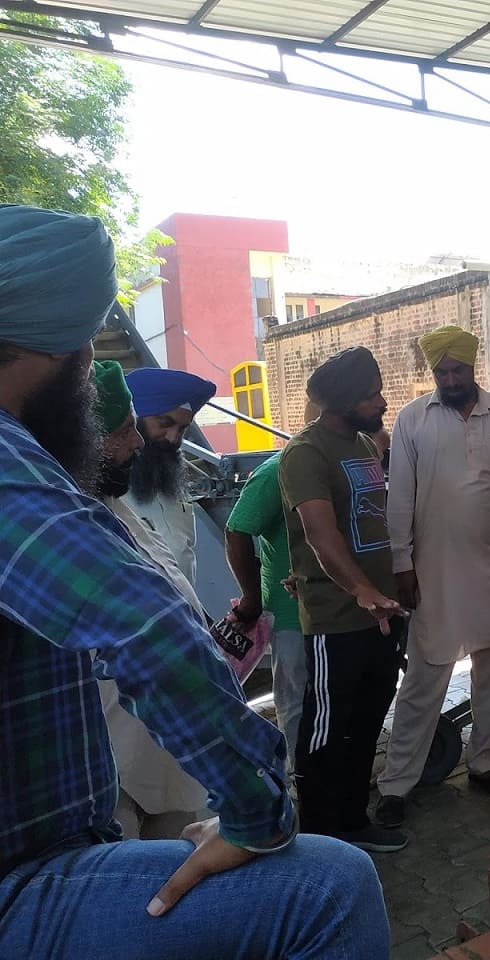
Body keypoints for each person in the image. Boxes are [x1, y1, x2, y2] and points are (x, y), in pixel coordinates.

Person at [0, 204, 389, 958]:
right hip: (25, 876)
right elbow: (142, 624)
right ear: (49, 343)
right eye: (83, 343)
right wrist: (257, 810)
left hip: (64, 823)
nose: (88, 365)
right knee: (331, 885)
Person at [374, 326, 490, 828]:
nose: (449, 379)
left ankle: (484, 762)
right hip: (432, 571)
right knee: (425, 676)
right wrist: (401, 564)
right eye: (441, 372)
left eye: (457, 370)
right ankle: (397, 783)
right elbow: (398, 497)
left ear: (472, 367)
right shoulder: (411, 419)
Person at [278, 345, 409, 852]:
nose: (382, 401)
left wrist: (386, 593)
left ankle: (352, 821)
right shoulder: (305, 453)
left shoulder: (363, 444)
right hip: (337, 620)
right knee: (326, 729)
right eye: (371, 394)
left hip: (379, 614)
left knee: (368, 719)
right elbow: (318, 531)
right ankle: (317, 834)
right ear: (342, 402)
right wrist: (360, 590)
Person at [92, 360, 208, 838]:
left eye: (181, 428)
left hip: (173, 720)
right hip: (115, 731)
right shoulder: (82, 508)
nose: (168, 440)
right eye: (163, 425)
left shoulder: (163, 496)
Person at [223, 404, 318, 778]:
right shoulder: (275, 472)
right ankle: (301, 776)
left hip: (336, 609)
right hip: (290, 611)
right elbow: (237, 530)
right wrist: (250, 598)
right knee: (295, 697)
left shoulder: (332, 464)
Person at [122, 365, 216, 583]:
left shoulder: (171, 482)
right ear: (134, 420)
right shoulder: (102, 486)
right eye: (165, 424)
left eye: (183, 428)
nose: (174, 438)